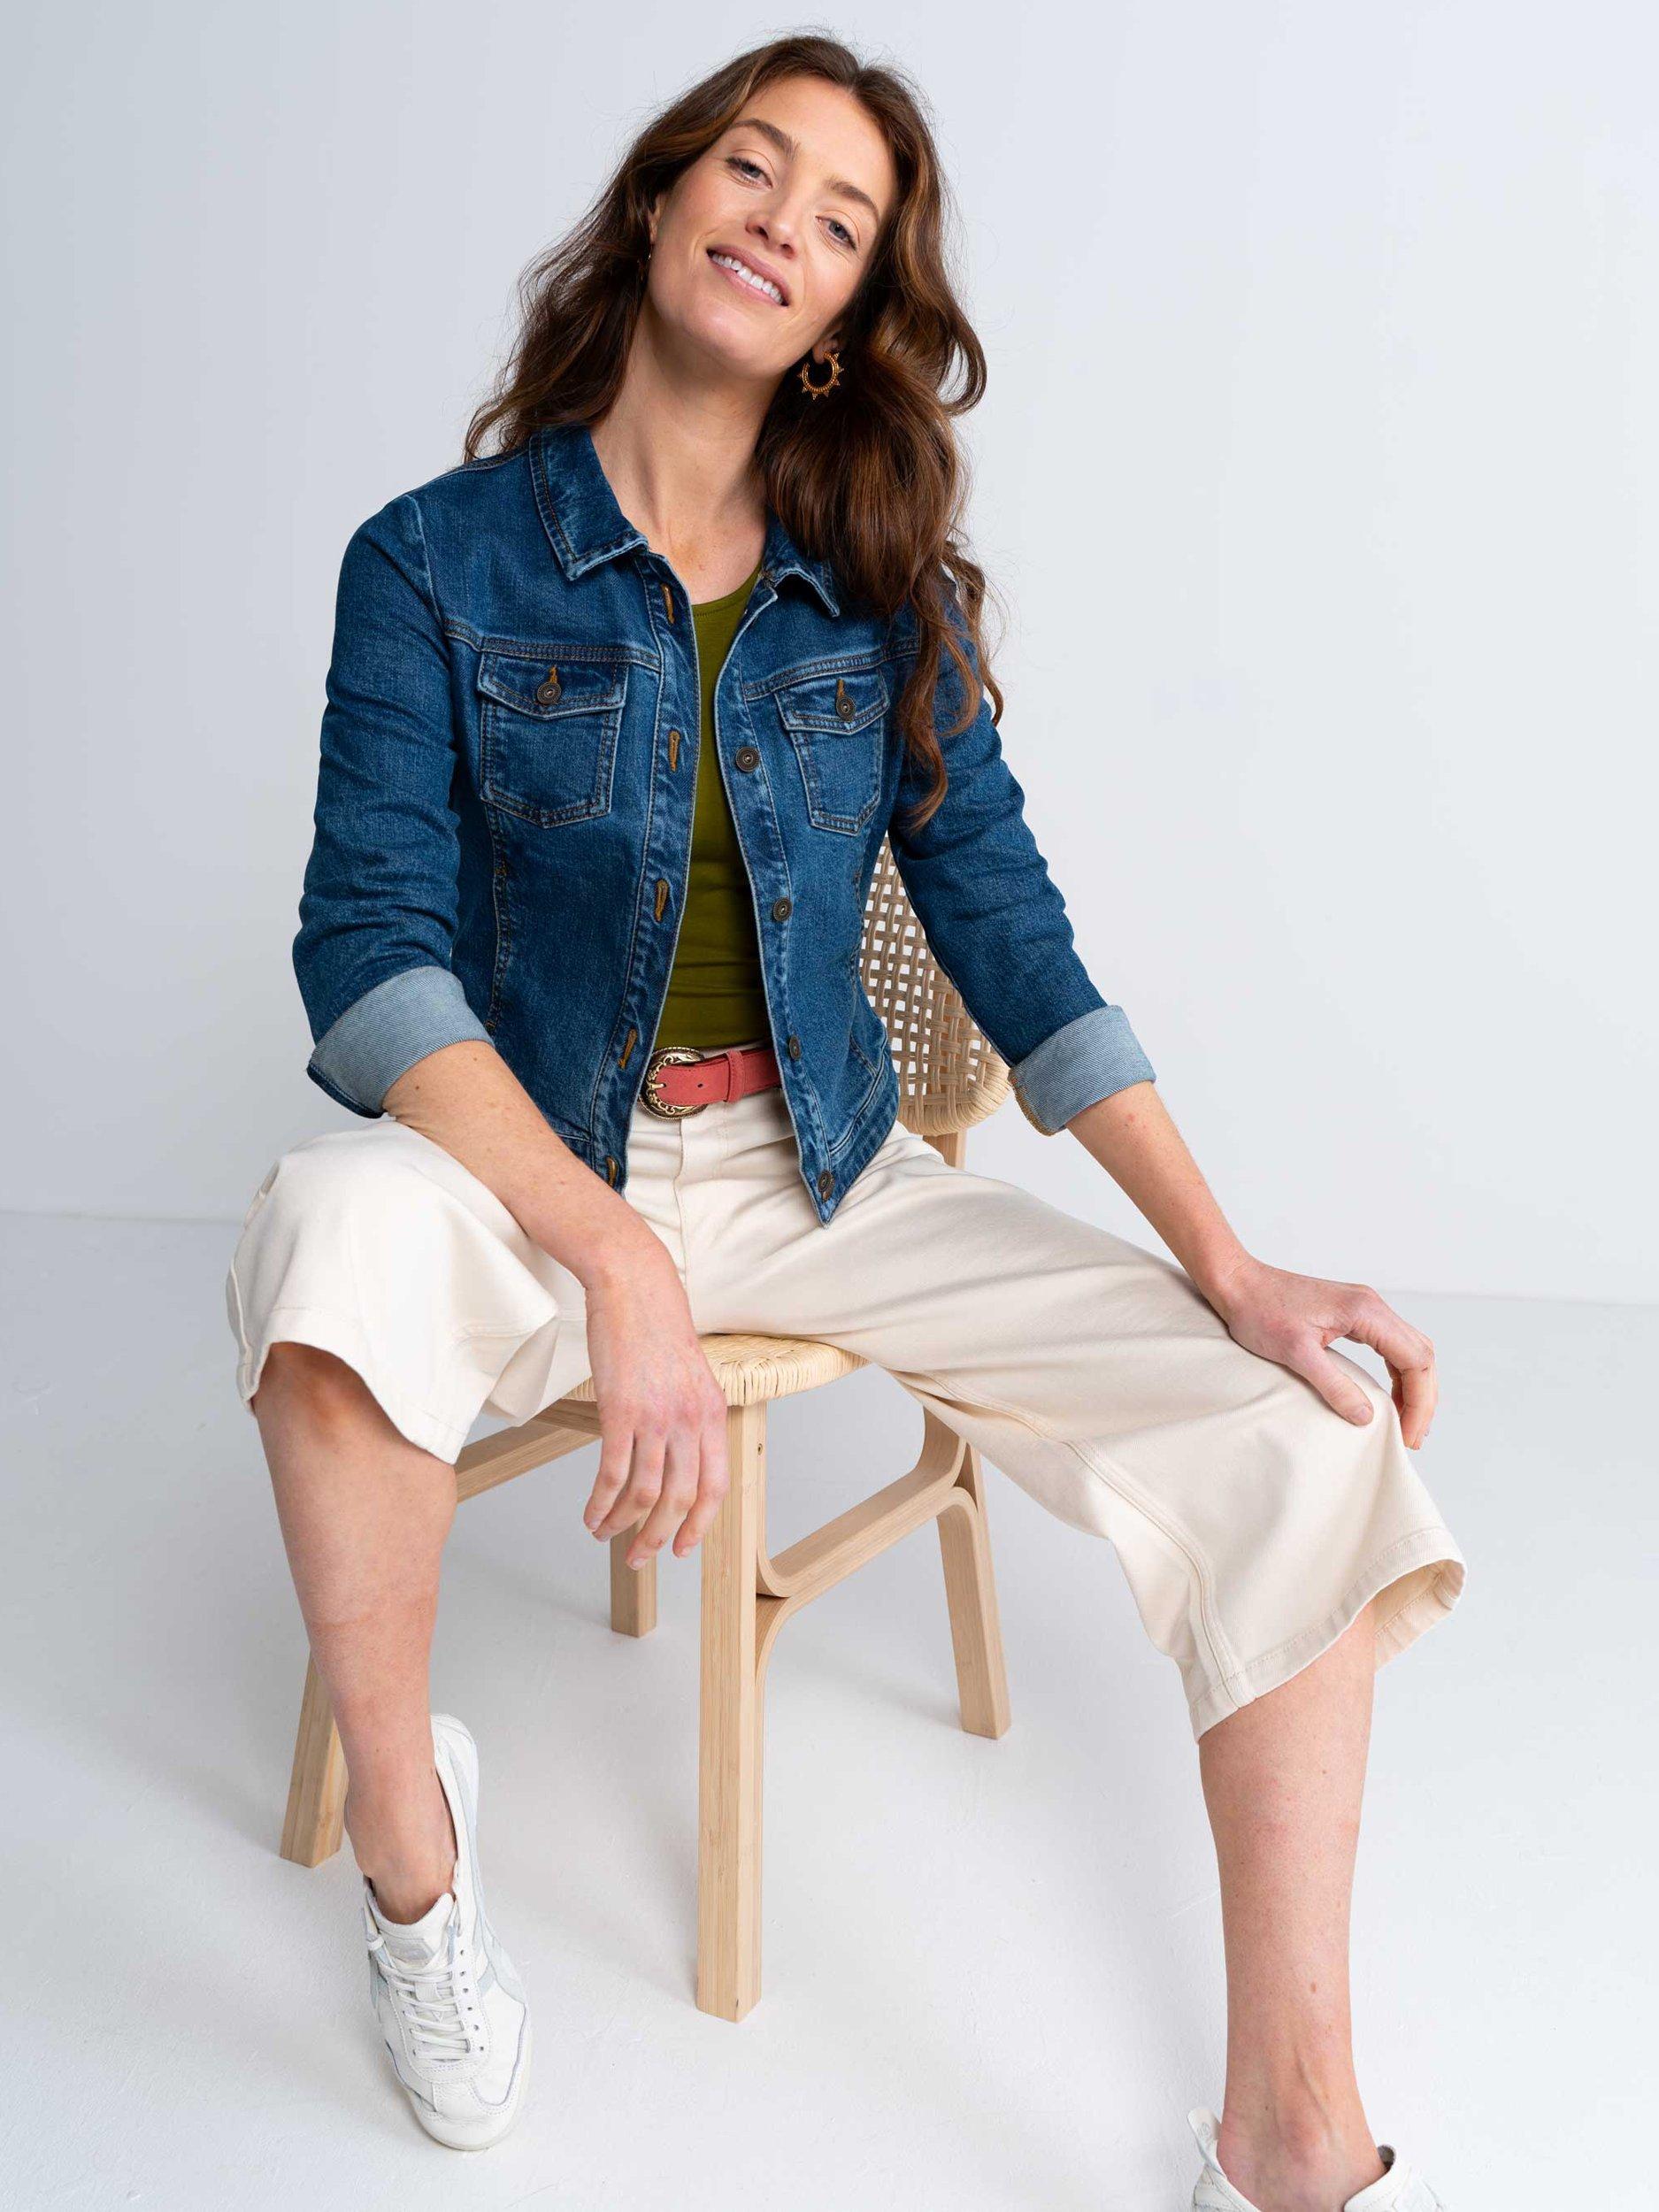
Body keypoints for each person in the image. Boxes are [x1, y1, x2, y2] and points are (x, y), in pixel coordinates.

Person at [225, 35, 1464, 2207]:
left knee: (1297, 1431)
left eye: (836, 219)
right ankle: (418, 1878)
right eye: (749, 165)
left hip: (823, 1171)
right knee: (324, 1236)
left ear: (841, 314)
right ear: (657, 199)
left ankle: (1287, 2128)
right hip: (531, 1170)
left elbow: (1010, 934)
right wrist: (610, 1250)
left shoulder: (877, 584)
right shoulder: (430, 561)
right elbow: (367, 950)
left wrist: (1227, 1262)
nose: (775, 222)